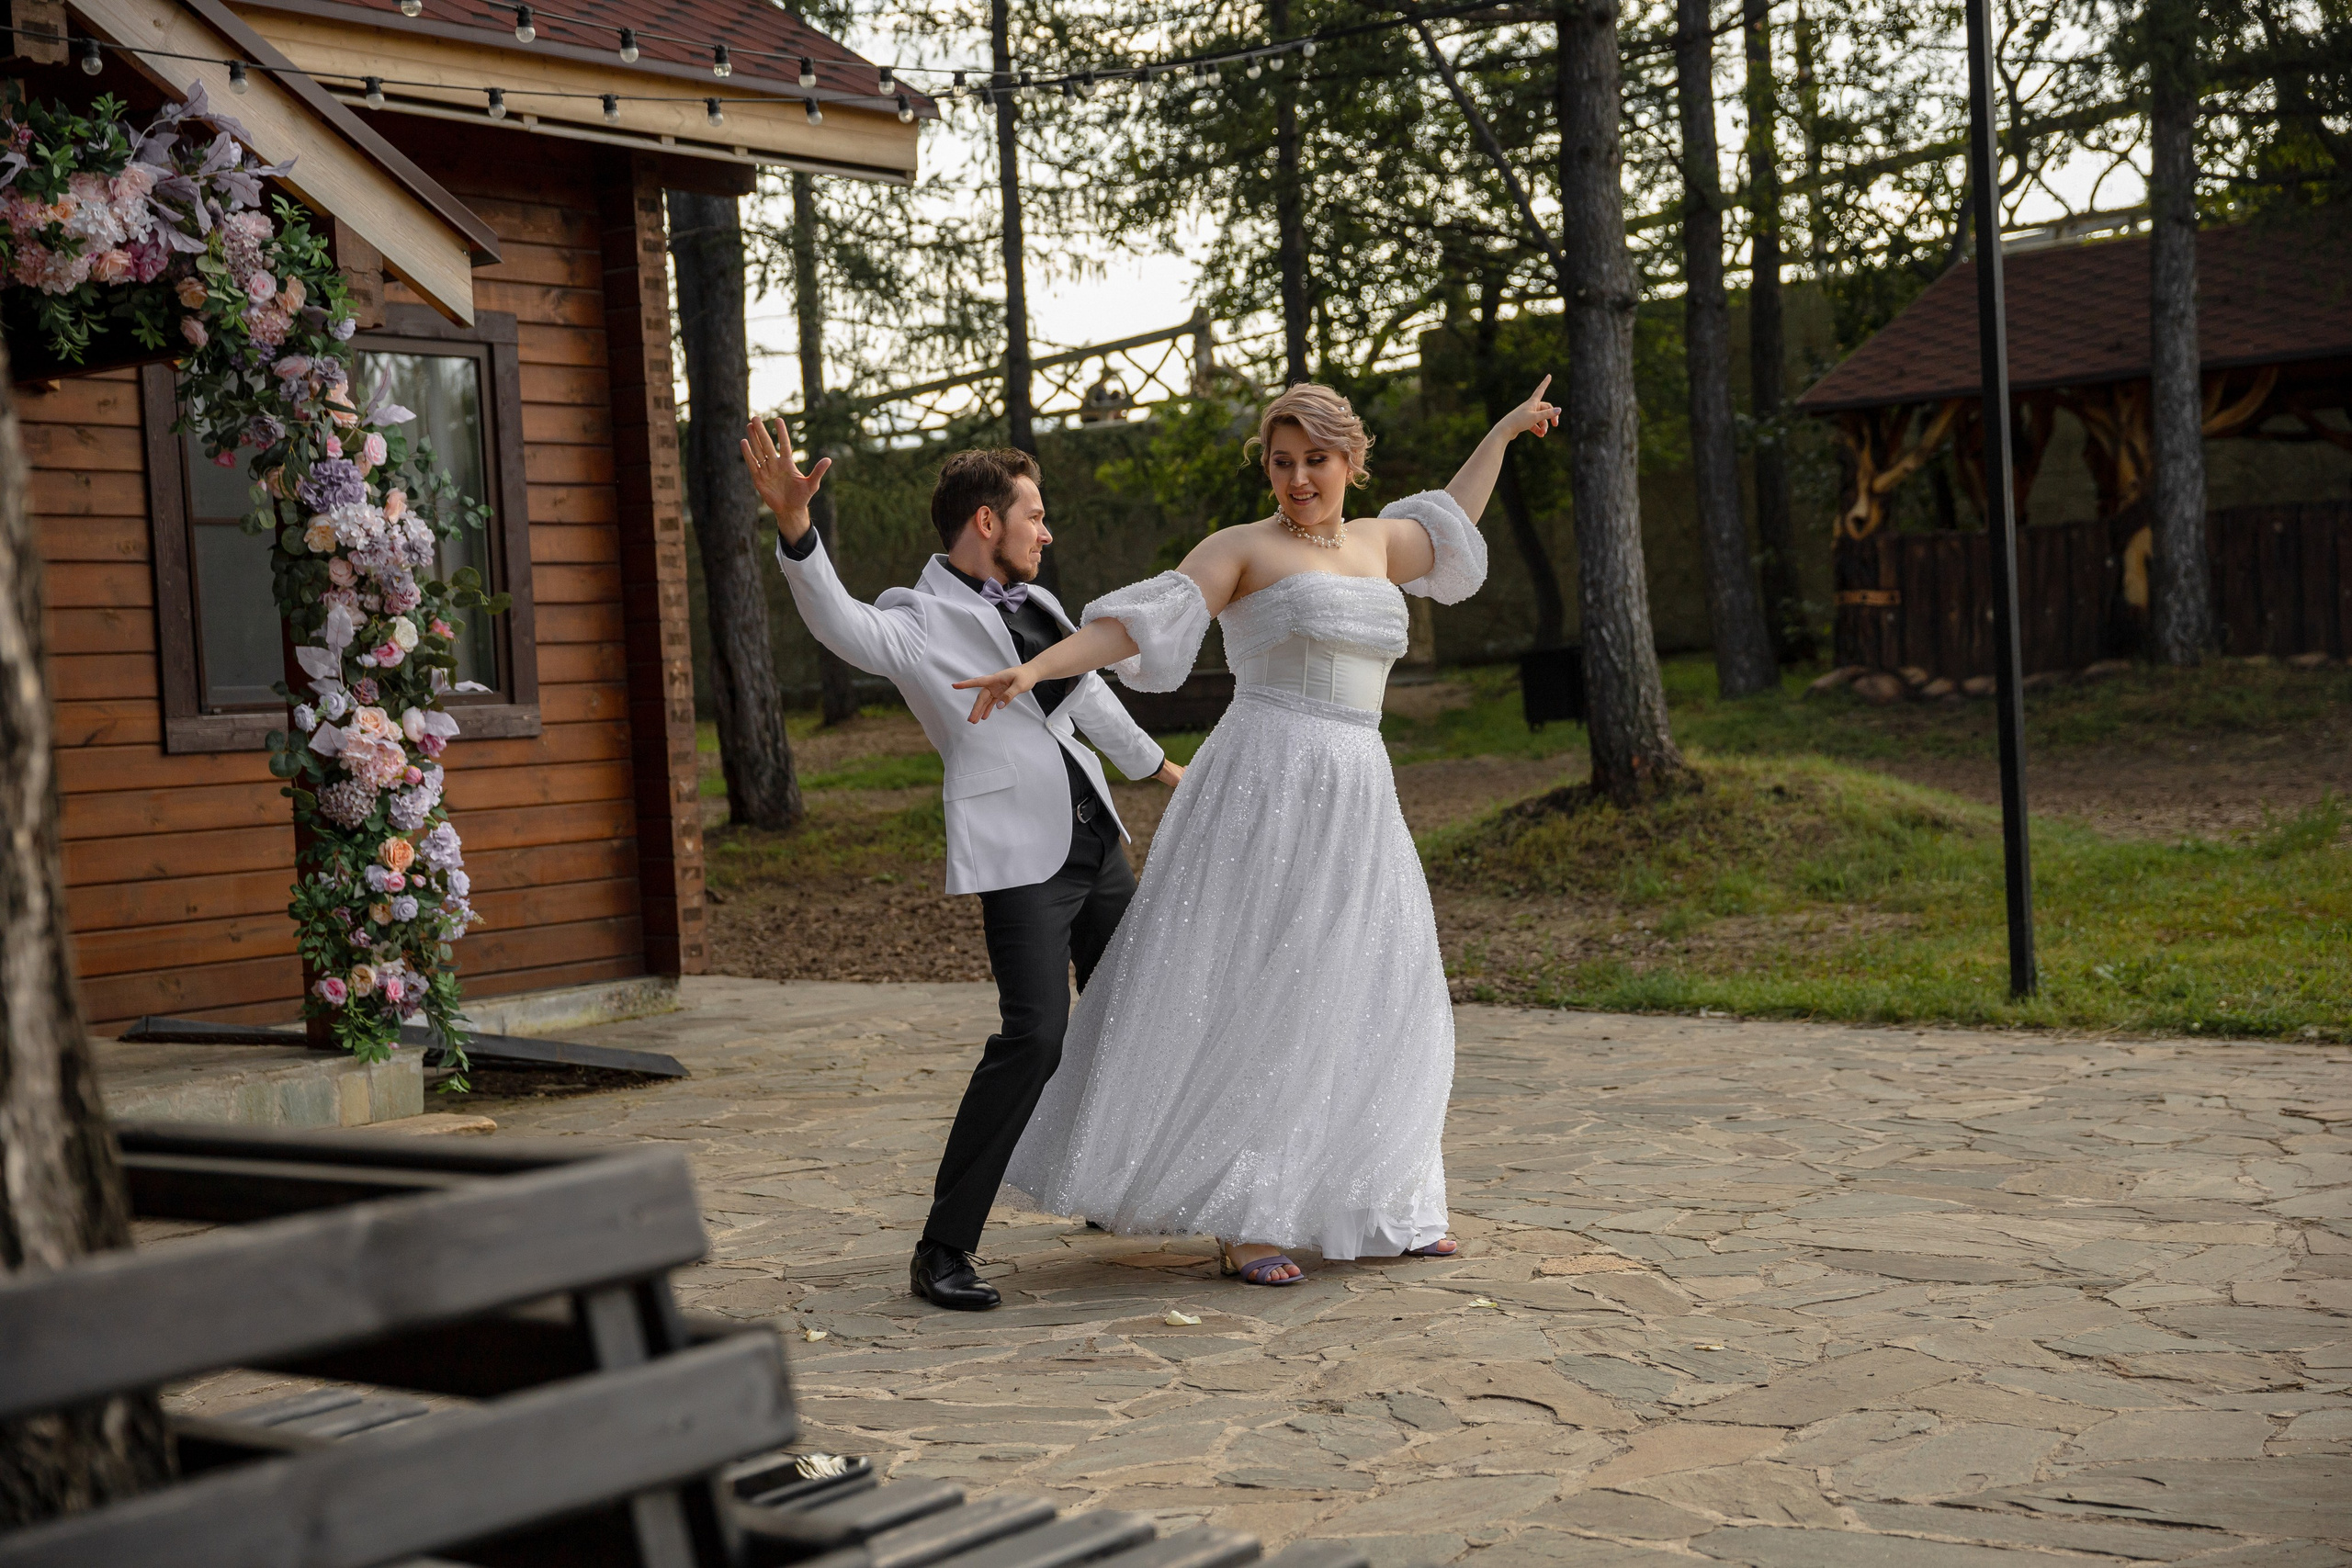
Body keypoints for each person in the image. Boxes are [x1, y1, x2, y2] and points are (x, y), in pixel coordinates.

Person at [955, 379, 1558, 1285]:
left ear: (1350, 461)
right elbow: (1138, 624)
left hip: (1358, 788)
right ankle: (1246, 1216)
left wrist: (1505, 428)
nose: (1298, 479)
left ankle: (1383, 1198)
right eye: (1281, 463)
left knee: (1371, 983)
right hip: (1264, 783)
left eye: (1315, 460)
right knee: (1259, 990)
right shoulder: (1242, 549)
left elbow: (1451, 520)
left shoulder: (1381, 543)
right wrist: (1035, 666)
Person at [740, 432, 1184, 1311]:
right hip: (1023, 860)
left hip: (1098, 840)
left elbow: (1088, 692)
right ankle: (942, 1246)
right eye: (1035, 514)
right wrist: (796, 527)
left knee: (1136, 1011)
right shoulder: (916, 621)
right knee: (1036, 1038)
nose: (1045, 531)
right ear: (988, 520)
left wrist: (1166, 775)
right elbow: (840, 623)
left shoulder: (1041, 603)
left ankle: (1114, 1181)